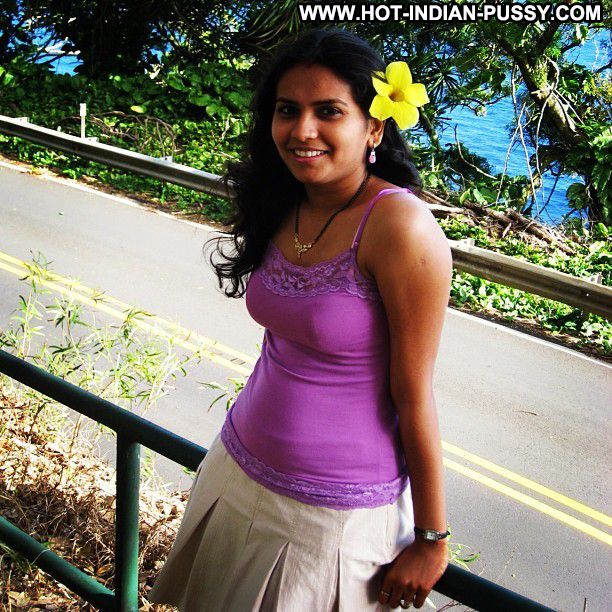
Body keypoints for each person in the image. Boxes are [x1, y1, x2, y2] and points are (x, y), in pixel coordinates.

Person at [149, 28, 452, 611]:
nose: (302, 130)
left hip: (333, 516)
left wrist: (432, 539)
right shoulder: (285, 198)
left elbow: (415, 395)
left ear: (374, 127)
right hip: (236, 469)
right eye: (288, 110)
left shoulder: (400, 227)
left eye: (328, 111)